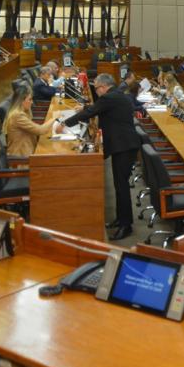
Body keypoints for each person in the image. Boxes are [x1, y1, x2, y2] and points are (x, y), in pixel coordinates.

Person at [62, 73, 142, 241]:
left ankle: (126, 225)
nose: (96, 91)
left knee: (122, 187)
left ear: (104, 87)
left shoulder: (109, 97)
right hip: (123, 145)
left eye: (97, 88)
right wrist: (84, 109)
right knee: (119, 185)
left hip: (124, 146)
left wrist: (64, 123)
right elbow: (96, 109)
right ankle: (120, 219)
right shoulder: (116, 95)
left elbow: (92, 111)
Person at [3, 85, 60, 156]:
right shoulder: (17, 116)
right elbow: (40, 130)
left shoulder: (20, 112)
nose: (32, 102)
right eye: (30, 99)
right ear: (21, 101)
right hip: (22, 159)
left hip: (28, 152)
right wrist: (54, 118)